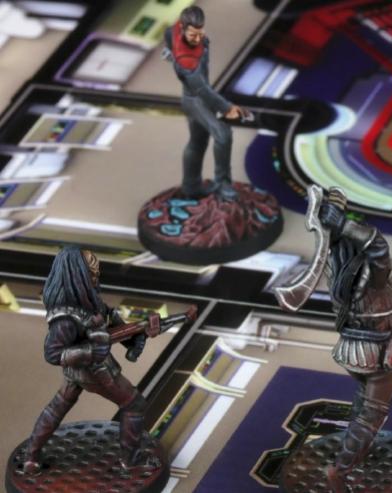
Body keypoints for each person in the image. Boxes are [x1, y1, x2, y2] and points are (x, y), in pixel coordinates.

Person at [22, 247, 152, 474]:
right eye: (90, 273)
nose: (95, 277)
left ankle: (31, 457)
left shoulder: (90, 303)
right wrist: (91, 352)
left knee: (56, 408)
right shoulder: (65, 318)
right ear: (76, 275)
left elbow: (113, 328)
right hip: (94, 371)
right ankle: (131, 462)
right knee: (134, 405)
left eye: (96, 272)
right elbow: (53, 354)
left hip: (80, 372)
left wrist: (136, 336)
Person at [317, 188, 392, 493]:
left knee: (363, 399)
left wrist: (337, 226)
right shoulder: (370, 273)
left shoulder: (333, 263)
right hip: (375, 350)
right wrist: (344, 225)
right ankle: (339, 471)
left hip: (351, 348)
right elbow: (378, 245)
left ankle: (358, 451)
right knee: (373, 414)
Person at [164, 6, 246, 200]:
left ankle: (191, 186)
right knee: (223, 135)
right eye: (193, 35)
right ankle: (223, 184)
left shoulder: (176, 29)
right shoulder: (186, 61)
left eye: (200, 33)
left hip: (200, 96)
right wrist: (227, 108)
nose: (198, 38)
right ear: (183, 29)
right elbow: (202, 90)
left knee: (198, 141)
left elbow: (168, 32)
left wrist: (168, 50)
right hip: (195, 100)